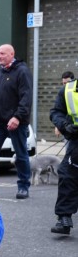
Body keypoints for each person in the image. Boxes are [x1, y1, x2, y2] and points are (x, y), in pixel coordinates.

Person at [0, 44, 32, 199]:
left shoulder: (22, 71)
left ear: (12, 54)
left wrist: (18, 117)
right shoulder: (1, 72)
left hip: (16, 122)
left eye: (3, 54)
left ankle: (23, 186)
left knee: (21, 154)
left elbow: (26, 97)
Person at [49, 78, 78, 235]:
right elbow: (56, 112)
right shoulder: (68, 89)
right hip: (76, 139)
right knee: (68, 175)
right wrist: (65, 125)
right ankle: (64, 218)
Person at [54, 71, 75, 138]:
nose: (66, 86)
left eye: (68, 83)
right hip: (67, 128)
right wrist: (58, 126)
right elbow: (59, 111)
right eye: (64, 83)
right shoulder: (62, 94)